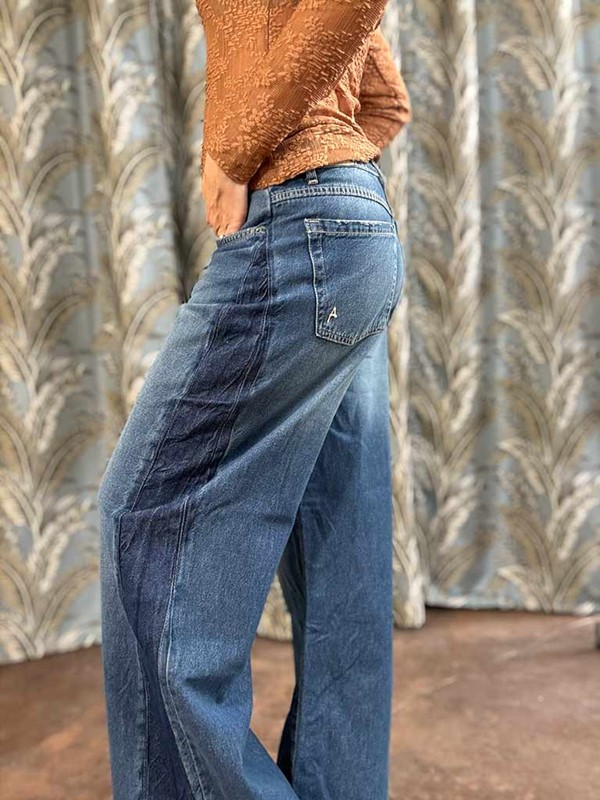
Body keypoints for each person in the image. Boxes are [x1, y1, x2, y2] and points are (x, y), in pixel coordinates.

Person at [97, 1, 412, 798]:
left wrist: (235, 151)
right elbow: (384, 100)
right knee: (340, 551)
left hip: (299, 230)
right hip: (348, 230)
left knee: (143, 518)